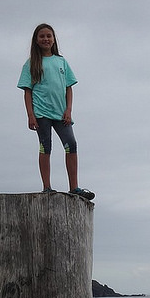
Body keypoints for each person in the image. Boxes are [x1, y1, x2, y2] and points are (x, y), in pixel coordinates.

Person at [17, 23, 95, 200]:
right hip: (41, 113)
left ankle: (74, 187)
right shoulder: (31, 64)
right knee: (46, 146)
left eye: (48, 36)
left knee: (71, 144)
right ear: (36, 41)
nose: (45, 39)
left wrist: (68, 110)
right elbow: (27, 91)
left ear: (53, 39)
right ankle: (47, 187)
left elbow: (69, 87)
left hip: (61, 114)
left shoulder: (62, 61)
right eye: (42, 36)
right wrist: (30, 115)